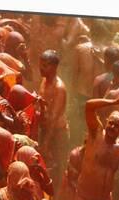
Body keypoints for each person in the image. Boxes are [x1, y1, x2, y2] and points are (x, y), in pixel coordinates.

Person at [38, 50, 69, 192]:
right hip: (46, 131)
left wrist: (45, 143)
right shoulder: (44, 80)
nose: (41, 68)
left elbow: (53, 118)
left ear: (54, 67)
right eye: (41, 64)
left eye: (45, 65)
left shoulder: (59, 88)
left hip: (57, 133)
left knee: (57, 168)